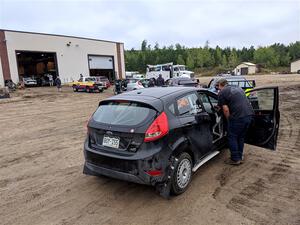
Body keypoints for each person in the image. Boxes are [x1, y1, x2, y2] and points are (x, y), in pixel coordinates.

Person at [216, 78, 254, 165]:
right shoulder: (238, 88)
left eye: (218, 87)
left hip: (238, 118)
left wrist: (229, 120)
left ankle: (235, 159)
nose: (218, 89)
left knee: (232, 136)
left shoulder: (222, 92)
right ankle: (240, 157)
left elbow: (225, 110)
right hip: (249, 115)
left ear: (220, 85)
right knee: (240, 137)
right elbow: (236, 102)